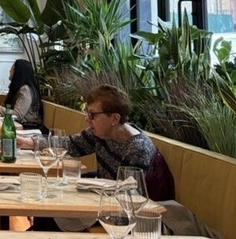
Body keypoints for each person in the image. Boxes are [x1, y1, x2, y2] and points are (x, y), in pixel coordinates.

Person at [19, 84, 156, 232]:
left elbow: (128, 199)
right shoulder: (101, 133)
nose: (87, 119)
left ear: (114, 118)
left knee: (51, 212)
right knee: (46, 204)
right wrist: (27, 142)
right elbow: (69, 144)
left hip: (118, 213)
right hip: (100, 197)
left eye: (92, 115)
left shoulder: (138, 148)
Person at [0, 59, 43, 130]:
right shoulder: (18, 88)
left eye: (12, 68)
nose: (9, 71)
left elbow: (17, 115)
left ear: (19, 72)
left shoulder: (25, 90)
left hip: (27, 128)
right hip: (17, 125)